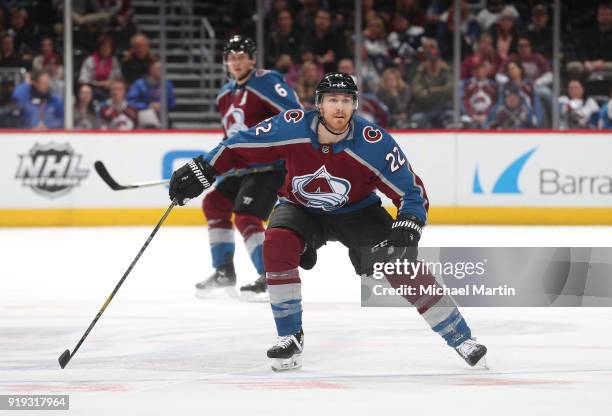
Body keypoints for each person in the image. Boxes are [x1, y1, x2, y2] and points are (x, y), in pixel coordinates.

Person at [168, 72, 487, 371]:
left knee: (400, 265)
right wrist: (203, 168)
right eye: (332, 100)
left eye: (346, 100)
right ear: (318, 104)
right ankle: (290, 337)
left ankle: (462, 338)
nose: (339, 107)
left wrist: (409, 222)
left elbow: (411, 191)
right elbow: (240, 146)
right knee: (276, 245)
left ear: (355, 105)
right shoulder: (291, 126)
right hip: (299, 207)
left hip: (359, 213)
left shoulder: (373, 143)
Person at [194, 35, 302, 298]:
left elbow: (295, 114)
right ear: (226, 62)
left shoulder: (265, 81)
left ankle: (269, 275)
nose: (237, 62)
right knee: (214, 204)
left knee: (246, 216)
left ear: (253, 59)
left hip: (270, 167)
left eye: (242, 56)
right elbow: (229, 137)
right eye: (232, 57)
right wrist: (215, 164)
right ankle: (224, 272)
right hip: (242, 169)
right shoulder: (224, 95)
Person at [126, 59, 175, 128]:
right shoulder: (139, 84)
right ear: (151, 69)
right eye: (157, 68)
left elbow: (172, 102)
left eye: (161, 69)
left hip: (162, 116)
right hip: (144, 114)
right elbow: (130, 101)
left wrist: (162, 105)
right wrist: (147, 106)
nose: (160, 71)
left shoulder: (167, 84)